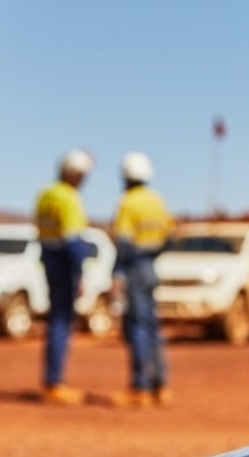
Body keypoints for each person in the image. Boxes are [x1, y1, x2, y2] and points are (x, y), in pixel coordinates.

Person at [109, 151, 175, 408]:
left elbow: (123, 243)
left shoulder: (127, 202)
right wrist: (151, 254)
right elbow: (169, 237)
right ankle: (161, 385)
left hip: (135, 268)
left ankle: (141, 387)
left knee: (136, 326)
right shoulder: (157, 201)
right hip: (151, 268)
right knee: (151, 326)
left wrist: (117, 271)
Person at [34, 149, 94, 405]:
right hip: (64, 263)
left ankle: (51, 379)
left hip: (49, 259)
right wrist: (79, 273)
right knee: (61, 320)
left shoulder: (45, 195)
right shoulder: (68, 197)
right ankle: (55, 381)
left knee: (55, 320)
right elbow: (73, 241)